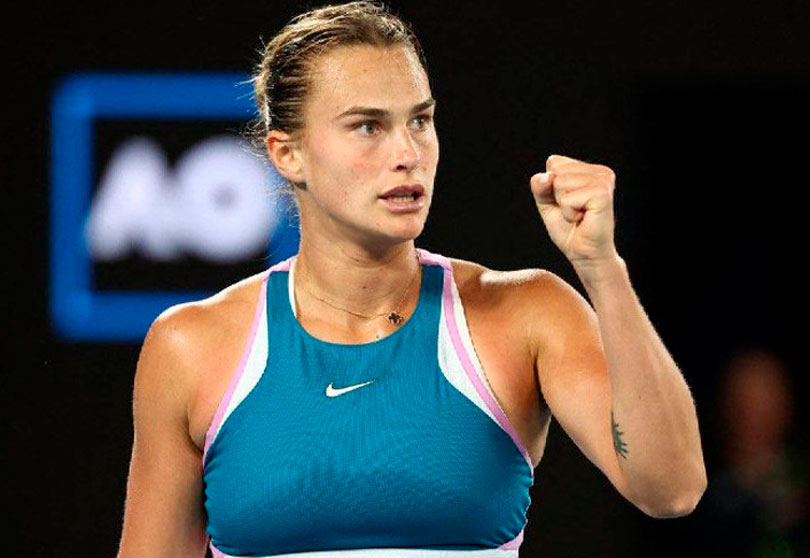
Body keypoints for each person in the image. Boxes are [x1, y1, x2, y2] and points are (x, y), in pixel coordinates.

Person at [117, 2, 707, 556]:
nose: (408, 152)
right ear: (287, 154)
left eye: (420, 120)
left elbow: (672, 489)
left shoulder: (527, 313)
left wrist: (603, 270)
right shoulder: (191, 347)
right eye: (368, 126)